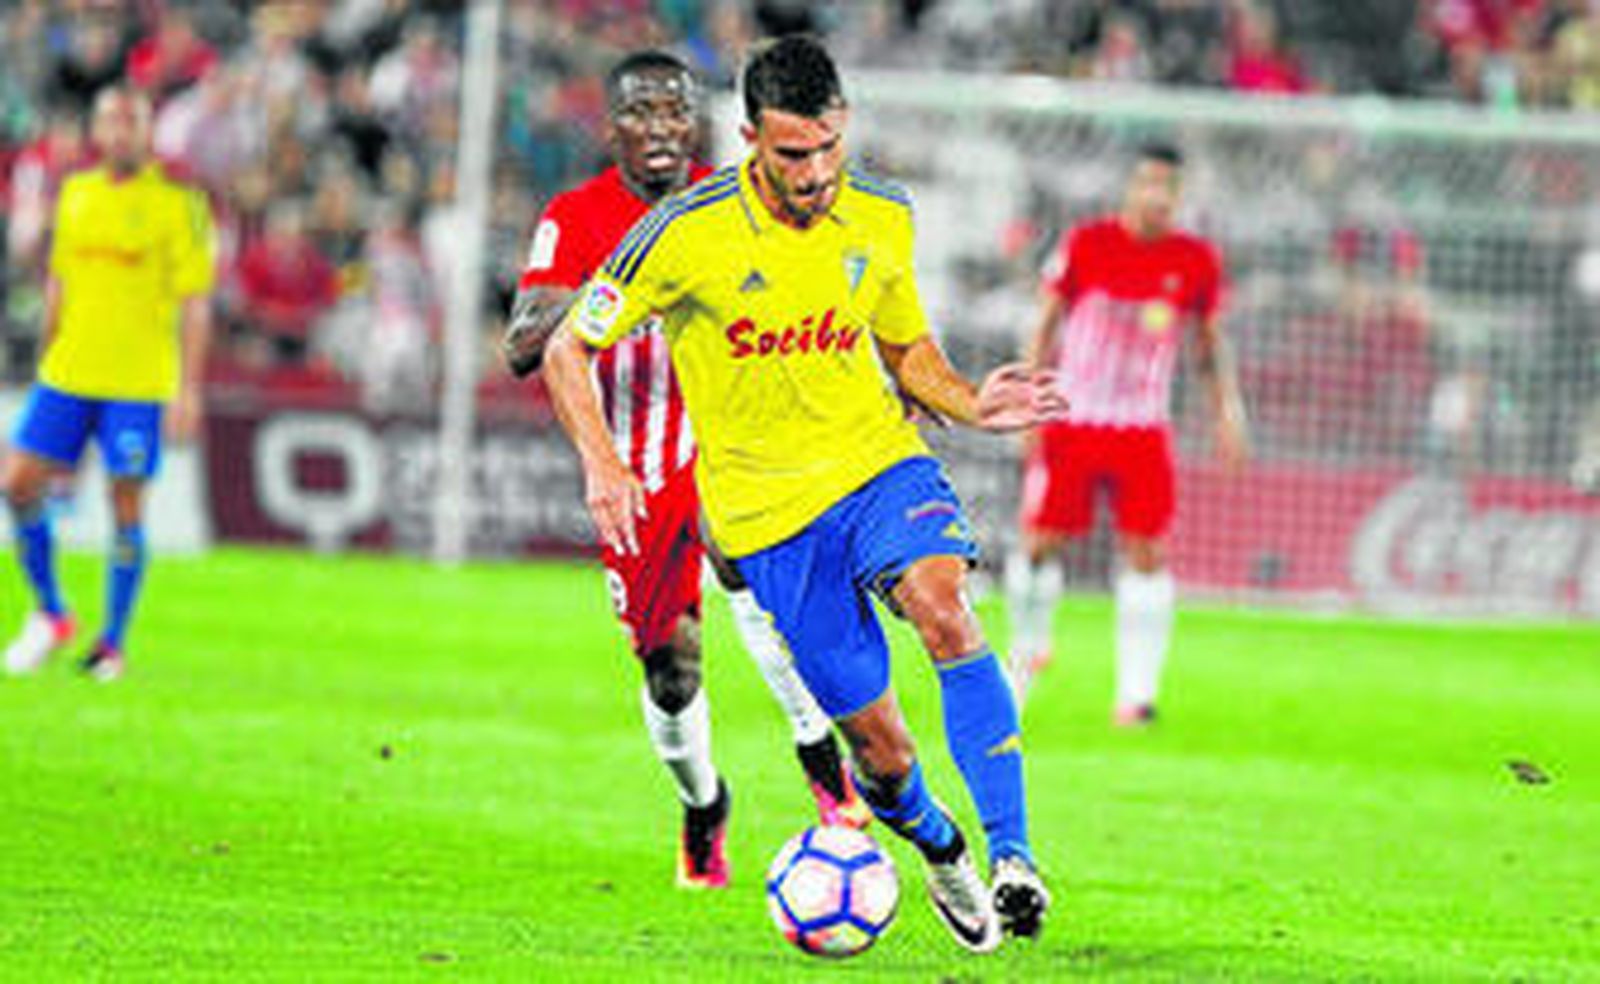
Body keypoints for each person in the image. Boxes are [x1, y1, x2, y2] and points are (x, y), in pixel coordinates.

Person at [542, 36, 1064, 952]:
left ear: (843, 125)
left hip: (877, 467)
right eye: (792, 154)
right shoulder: (683, 232)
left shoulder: (882, 213)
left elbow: (906, 350)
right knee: (882, 755)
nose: (816, 173)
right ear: (749, 138)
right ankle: (942, 850)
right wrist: (603, 462)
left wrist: (970, 401)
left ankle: (1015, 857)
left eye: (827, 147)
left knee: (945, 609)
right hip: (770, 521)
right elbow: (565, 348)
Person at [502, 50, 868, 892]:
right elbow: (523, 344)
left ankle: (824, 764)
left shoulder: (736, 197)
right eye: (643, 111)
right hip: (636, 467)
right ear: (612, 128)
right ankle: (704, 803)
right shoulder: (576, 216)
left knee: (756, 582)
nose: (663, 126)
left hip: (734, 444)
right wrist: (633, 274)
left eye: (677, 109)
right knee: (672, 670)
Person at [1005, 142, 1249, 724]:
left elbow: (1208, 342)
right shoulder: (1087, 244)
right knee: (1039, 542)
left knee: (1148, 551)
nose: (1157, 197)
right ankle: (1027, 650)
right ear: (1130, 188)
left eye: (1169, 187)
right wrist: (1027, 402)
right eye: (1148, 184)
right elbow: (1045, 322)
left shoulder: (1195, 259)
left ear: (1180, 196)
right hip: (1072, 418)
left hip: (1142, 427)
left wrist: (1228, 411)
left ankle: (1137, 694)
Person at [2, 87, 216, 682]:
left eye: (131, 121)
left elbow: (196, 303)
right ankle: (52, 612)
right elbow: (59, 284)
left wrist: (189, 388)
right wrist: (45, 355)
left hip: (137, 382)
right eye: (110, 121)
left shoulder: (181, 204)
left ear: (148, 131)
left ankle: (111, 643)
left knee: (125, 504)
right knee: (17, 484)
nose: (120, 131)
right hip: (69, 371)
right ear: (97, 132)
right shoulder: (76, 194)